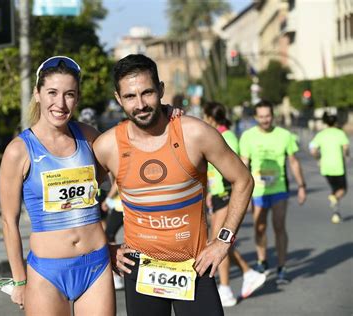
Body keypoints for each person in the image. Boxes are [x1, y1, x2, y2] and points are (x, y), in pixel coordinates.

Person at [93, 54, 254, 316]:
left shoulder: (195, 133)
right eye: (130, 96)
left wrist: (224, 240)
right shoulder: (107, 146)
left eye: (147, 93)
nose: (141, 104)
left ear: (161, 90)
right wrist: (105, 246)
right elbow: (80, 200)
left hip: (194, 267)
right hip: (140, 269)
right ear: (118, 99)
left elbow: (243, 180)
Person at [0, 56, 115, 315]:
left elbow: (127, 170)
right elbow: (9, 220)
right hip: (47, 272)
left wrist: (167, 117)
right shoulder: (19, 150)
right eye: (52, 92)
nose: (60, 103)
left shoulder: (88, 136)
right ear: (37, 94)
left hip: (96, 266)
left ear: (77, 97)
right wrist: (19, 280)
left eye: (69, 94)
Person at [203, 102, 266, 307]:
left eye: (205, 116)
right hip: (219, 192)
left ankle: (226, 288)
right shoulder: (218, 133)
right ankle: (248, 273)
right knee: (219, 241)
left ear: (211, 118)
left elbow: (234, 168)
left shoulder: (226, 136)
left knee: (218, 240)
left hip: (227, 193)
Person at [239, 100, 306, 284]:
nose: (265, 120)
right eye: (261, 117)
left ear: (273, 116)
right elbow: (243, 164)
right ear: (255, 117)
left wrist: (301, 186)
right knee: (259, 226)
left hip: (279, 189)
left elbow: (293, 161)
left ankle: (282, 267)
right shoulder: (247, 136)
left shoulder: (285, 135)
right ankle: (262, 261)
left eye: (268, 116)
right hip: (257, 191)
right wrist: (242, 193)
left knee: (278, 226)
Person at [309, 112, 350, 223]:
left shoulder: (321, 134)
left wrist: (318, 158)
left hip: (325, 167)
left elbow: (312, 149)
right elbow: (346, 147)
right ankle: (335, 198)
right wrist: (347, 156)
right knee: (343, 189)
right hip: (338, 167)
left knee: (334, 189)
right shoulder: (340, 133)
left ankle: (336, 214)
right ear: (336, 122)